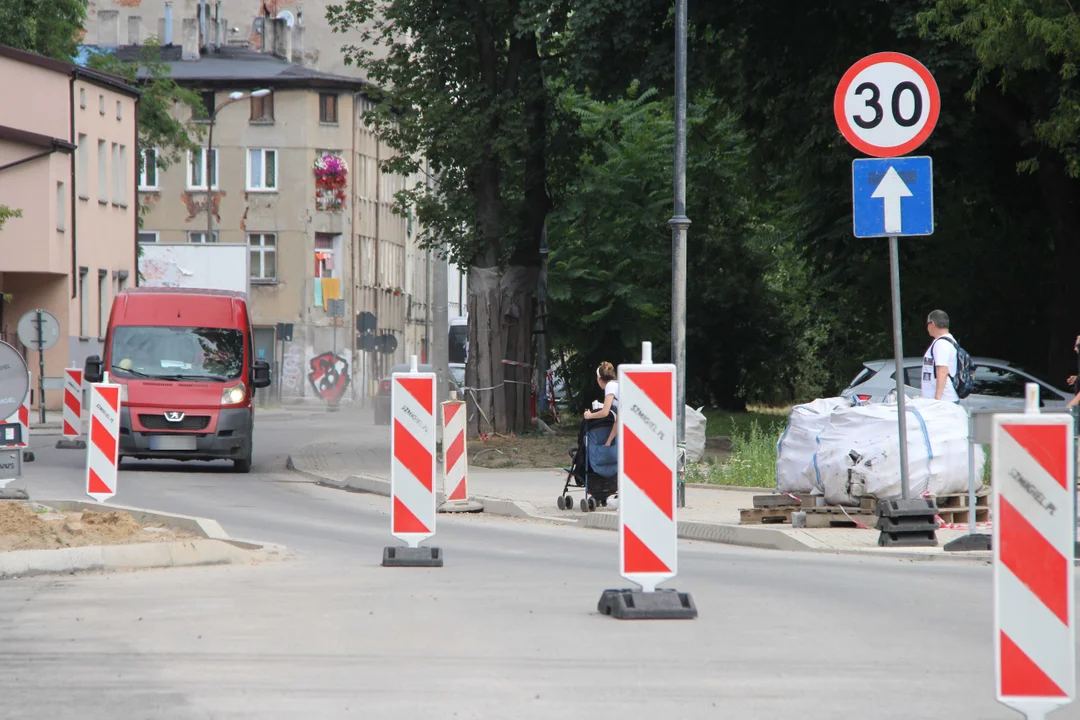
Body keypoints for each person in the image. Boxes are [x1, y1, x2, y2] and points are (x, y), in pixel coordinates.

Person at [922, 309, 960, 403]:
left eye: (927, 324)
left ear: (932, 324)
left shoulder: (941, 344)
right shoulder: (949, 341)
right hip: (946, 398)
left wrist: (937, 399)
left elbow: (942, 370)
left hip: (944, 400)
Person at [583, 361, 619, 446]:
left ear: (599, 379)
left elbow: (604, 412)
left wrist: (589, 415)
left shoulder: (610, 386)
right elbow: (618, 420)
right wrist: (608, 442)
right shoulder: (616, 384)